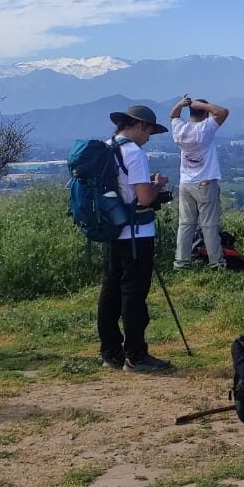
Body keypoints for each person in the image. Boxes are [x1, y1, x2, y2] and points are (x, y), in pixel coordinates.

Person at [92, 105, 175, 372]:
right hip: (136, 235)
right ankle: (136, 355)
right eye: (149, 131)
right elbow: (144, 198)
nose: (149, 137)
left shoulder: (106, 147)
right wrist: (158, 184)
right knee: (133, 295)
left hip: (112, 231)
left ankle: (110, 352)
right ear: (140, 126)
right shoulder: (133, 153)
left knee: (111, 290)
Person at [171, 95, 230, 270]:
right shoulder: (205, 128)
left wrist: (181, 104)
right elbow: (223, 112)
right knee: (209, 224)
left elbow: (173, 116)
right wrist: (202, 105)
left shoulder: (180, 129)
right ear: (205, 113)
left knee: (186, 224)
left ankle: (181, 262)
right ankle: (216, 262)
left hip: (185, 183)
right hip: (204, 183)